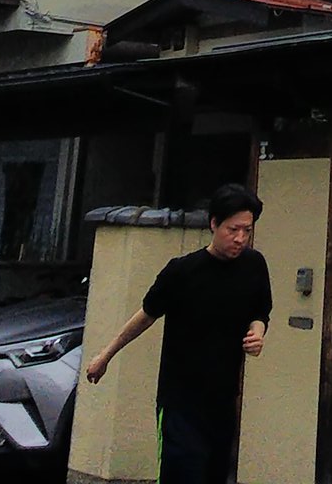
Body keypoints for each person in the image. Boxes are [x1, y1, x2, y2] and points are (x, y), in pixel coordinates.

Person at [85, 182, 272, 484]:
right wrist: (105, 355)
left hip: (223, 400)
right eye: (233, 230)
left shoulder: (254, 266)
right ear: (214, 224)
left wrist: (257, 333)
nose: (240, 239)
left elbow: (260, 311)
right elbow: (145, 316)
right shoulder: (183, 271)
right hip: (180, 403)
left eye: (247, 231)